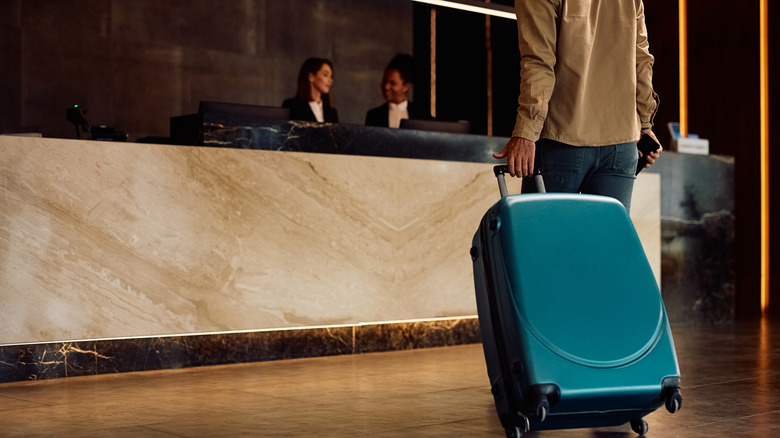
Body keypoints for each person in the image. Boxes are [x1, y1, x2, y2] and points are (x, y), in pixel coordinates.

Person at [493, 0, 662, 212]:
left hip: (562, 141)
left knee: (544, 242)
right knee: (605, 244)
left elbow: (538, 63)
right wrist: (645, 124)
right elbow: (642, 60)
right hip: (622, 144)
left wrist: (526, 131)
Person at [365, 54, 428, 128]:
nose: (386, 87)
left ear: (406, 86)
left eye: (392, 83)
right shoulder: (374, 115)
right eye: (385, 81)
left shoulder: (421, 115)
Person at [283, 57, 339, 123]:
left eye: (331, 76)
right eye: (325, 75)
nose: (330, 80)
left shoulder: (332, 112)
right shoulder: (292, 106)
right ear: (311, 77)